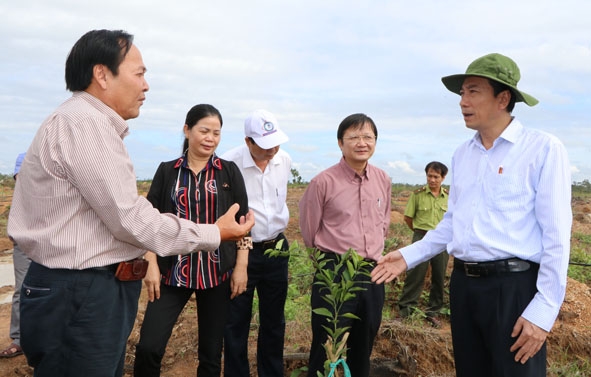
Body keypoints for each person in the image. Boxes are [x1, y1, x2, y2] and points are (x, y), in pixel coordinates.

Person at [7, 29, 254, 377]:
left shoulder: (84, 123)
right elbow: (133, 218)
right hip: (83, 291)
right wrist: (214, 233)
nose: (146, 85)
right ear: (102, 74)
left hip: (84, 289)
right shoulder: (86, 125)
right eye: (139, 73)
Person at [372, 53, 571, 377]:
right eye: (462, 92)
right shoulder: (463, 154)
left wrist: (544, 310)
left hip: (513, 288)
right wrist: (408, 256)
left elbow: (557, 234)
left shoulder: (543, 149)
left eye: (473, 91)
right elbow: (453, 224)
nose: (462, 101)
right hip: (464, 287)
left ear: (503, 98)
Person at [134, 104, 251, 377]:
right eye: (204, 131)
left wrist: (241, 266)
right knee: (149, 346)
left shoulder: (229, 172)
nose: (210, 138)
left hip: (216, 274)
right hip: (172, 271)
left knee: (211, 354)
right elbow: (150, 220)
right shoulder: (167, 171)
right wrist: (150, 262)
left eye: (216, 133)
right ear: (187, 130)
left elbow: (243, 223)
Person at [299, 113, 392, 377]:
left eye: (368, 137)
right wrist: (326, 265)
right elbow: (309, 230)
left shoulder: (383, 179)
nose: (361, 142)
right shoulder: (323, 182)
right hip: (334, 270)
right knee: (326, 344)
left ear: (375, 142)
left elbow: (383, 222)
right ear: (341, 143)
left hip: (373, 271)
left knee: (364, 343)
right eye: (354, 137)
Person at [222, 109, 291, 377]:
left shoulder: (283, 159)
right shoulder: (229, 164)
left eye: (275, 142)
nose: (272, 150)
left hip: (276, 247)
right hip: (241, 251)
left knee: (274, 321)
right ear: (248, 141)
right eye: (264, 145)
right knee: (236, 321)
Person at [397, 161, 449, 327]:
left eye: (436, 176)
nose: (432, 180)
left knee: (439, 277)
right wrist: (420, 234)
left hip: (442, 241)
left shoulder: (449, 197)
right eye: (429, 176)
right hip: (421, 237)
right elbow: (408, 218)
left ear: (443, 178)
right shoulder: (417, 195)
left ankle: (433, 312)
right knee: (415, 274)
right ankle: (406, 310)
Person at [0, 153, 31, 359]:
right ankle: (19, 339)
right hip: (24, 242)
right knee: (22, 289)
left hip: (52, 243)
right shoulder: (25, 158)